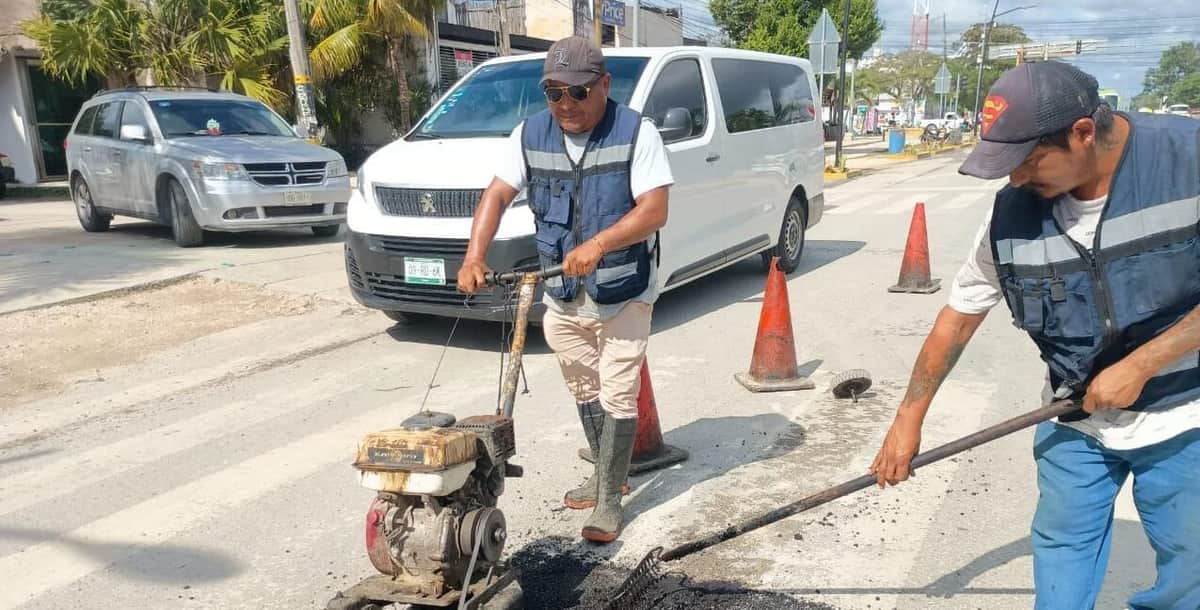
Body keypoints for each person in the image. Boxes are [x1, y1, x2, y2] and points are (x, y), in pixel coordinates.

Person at [870, 61, 1200, 609]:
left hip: (1185, 417)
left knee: (1189, 571)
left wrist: (1144, 363)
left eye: (1025, 161)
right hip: (1074, 416)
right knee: (1062, 550)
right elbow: (958, 316)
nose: (1016, 179)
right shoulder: (1011, 217)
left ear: (1083, 133)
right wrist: (909, 418)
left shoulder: (1187, 163)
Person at [457, 36, 672, 543]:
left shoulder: (636, 133)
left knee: (618, 389)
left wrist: (599, 243)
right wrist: (474, 256)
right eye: (554, 93)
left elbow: (655, 210)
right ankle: (604, 473)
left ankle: (609, 499)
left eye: (577, 92)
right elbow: (497, 195)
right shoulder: (530, 135)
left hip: (623, 288)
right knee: (584, 387)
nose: (565, 104)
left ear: (604, 85)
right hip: (563, 292)